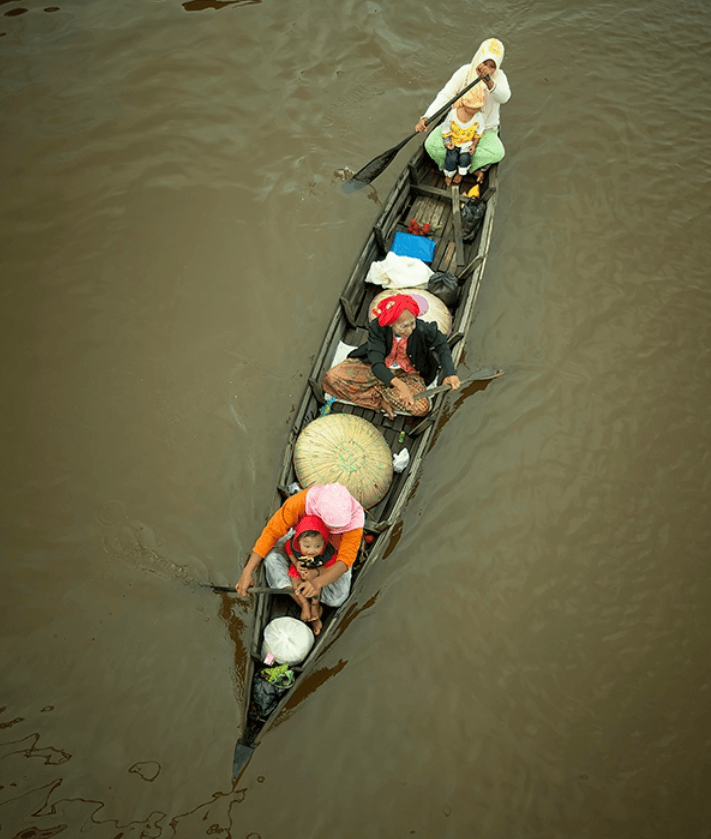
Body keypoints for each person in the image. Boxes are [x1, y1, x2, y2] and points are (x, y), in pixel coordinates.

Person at [235, 483, 364, 633]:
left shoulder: (355, 521)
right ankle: (305, 605)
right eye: (332, 527)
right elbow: (271, 533)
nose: (336, 530)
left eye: (339, 528)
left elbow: (344, 561)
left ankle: (314, 606)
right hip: (303, 542)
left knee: (338, 598)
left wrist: (317, 581)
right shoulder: (298, 504)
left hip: (332, 556)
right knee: (271, 560)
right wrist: (247, 571)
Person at [321, 293, 460, 419]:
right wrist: (400, 386)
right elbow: (377, 364)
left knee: (421, 408)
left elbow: (441, 342)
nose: (411, 329)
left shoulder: (421, 329)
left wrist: (449, 372)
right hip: (381, 370)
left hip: (410, 374)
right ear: (391, 325)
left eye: (413, 322)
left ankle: (381, 394)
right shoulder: (378, 328)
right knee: (332, 378)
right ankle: (381, 399)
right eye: (404, 326)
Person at [415, 37, 511, 183]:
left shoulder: (499, 78)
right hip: (457, 127)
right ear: (479, 57)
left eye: (492, 66)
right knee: (431, 145)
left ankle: (463, 166)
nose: (488, 69)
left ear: (497, 67)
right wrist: (427, 116)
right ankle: (462, 166)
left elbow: (504, 97)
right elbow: (446, 95)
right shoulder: (465, 72)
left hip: (483, 131)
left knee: (498, 153)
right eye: (485, 63)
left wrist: (488, 81)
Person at [283, 514, 339, 635]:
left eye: (317, 546)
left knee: (315, 584)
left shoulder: (327, 552)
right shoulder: (293, 545)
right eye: (306, 546)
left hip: (317, 569)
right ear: (299, 543)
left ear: (324, 543)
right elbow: (288, 549)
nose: (311, 551)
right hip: (300, 567)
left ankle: (314, 605)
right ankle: (304, 604)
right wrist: (296, 563)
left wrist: (317, 572)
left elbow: (333, 565)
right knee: (294, 580)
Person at [440, 81, 486, 187]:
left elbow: (479, 132)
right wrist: (447, 141)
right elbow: (446, 128)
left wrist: (474, 145)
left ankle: (461, 174)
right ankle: (449, 175)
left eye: (477, 108)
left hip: (467, 144)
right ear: (464, 104)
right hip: (454, 142)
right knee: (451, 158)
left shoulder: (478, 116)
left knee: (465, 159)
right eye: (472, 108)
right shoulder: (453, 114)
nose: (475, 110)